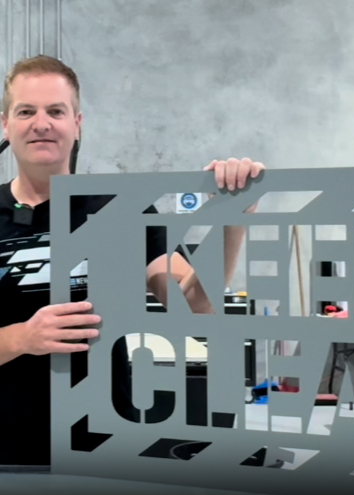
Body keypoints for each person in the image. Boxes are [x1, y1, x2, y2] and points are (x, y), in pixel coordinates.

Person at [0, 55, 265, 467]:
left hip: (100, 450)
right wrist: (21, 338)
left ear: (77, 123)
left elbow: (196, 305)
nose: (41, 123)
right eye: (25, 111)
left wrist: (231, 219)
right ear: (5, 124)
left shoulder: (120, 209)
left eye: (56, 111)